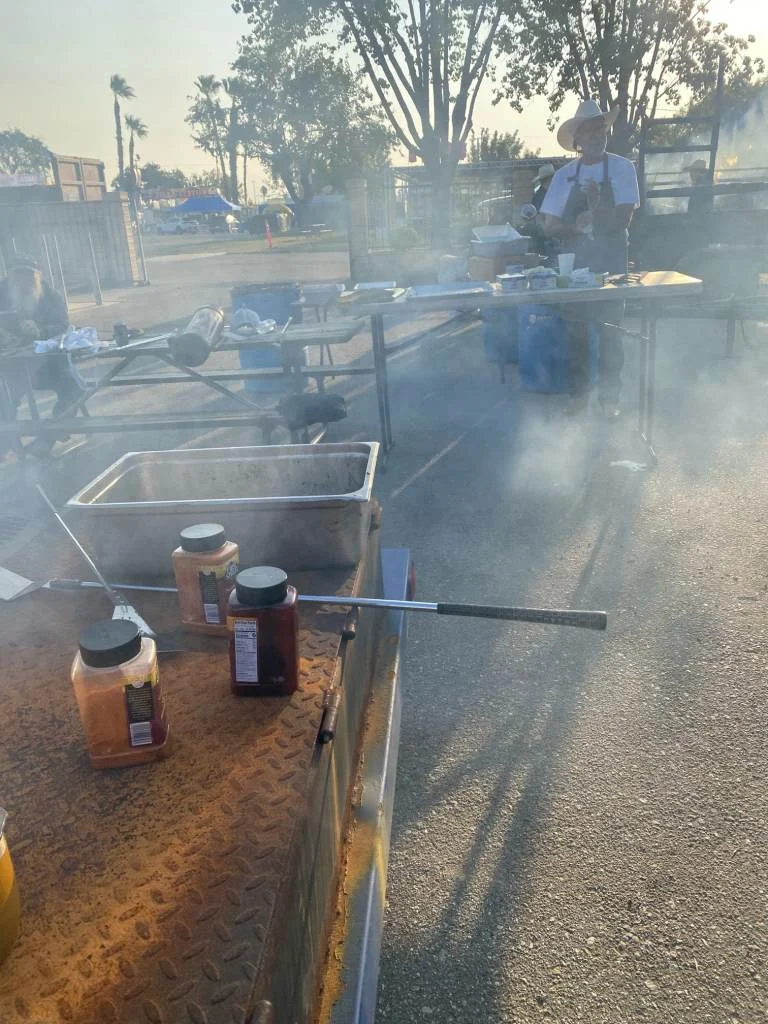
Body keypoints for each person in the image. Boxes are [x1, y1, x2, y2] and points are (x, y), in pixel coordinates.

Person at [540, 99, 640, 418]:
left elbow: (624, 218)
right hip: (575, 265)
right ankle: (579, 396)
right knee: (576, 333)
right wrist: (576, 226)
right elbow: (550, 225)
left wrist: (596, 209)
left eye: (601, 128)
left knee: (611, 332)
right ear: (578, 140)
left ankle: (610, 400)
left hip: (611, 261)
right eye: (591, 130)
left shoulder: (623, 169)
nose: (598, 135)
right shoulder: (564, 176)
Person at [0, 254, 84, 455]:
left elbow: (63, 326)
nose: (23, 281)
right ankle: (3, 444)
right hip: (12, 368)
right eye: (17, 275)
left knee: (75, 387)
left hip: (50, 365)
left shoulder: (52, 296)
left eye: (28, 275)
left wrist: (41, 331)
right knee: (3, 397)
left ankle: (50, 437)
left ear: (37, 276)